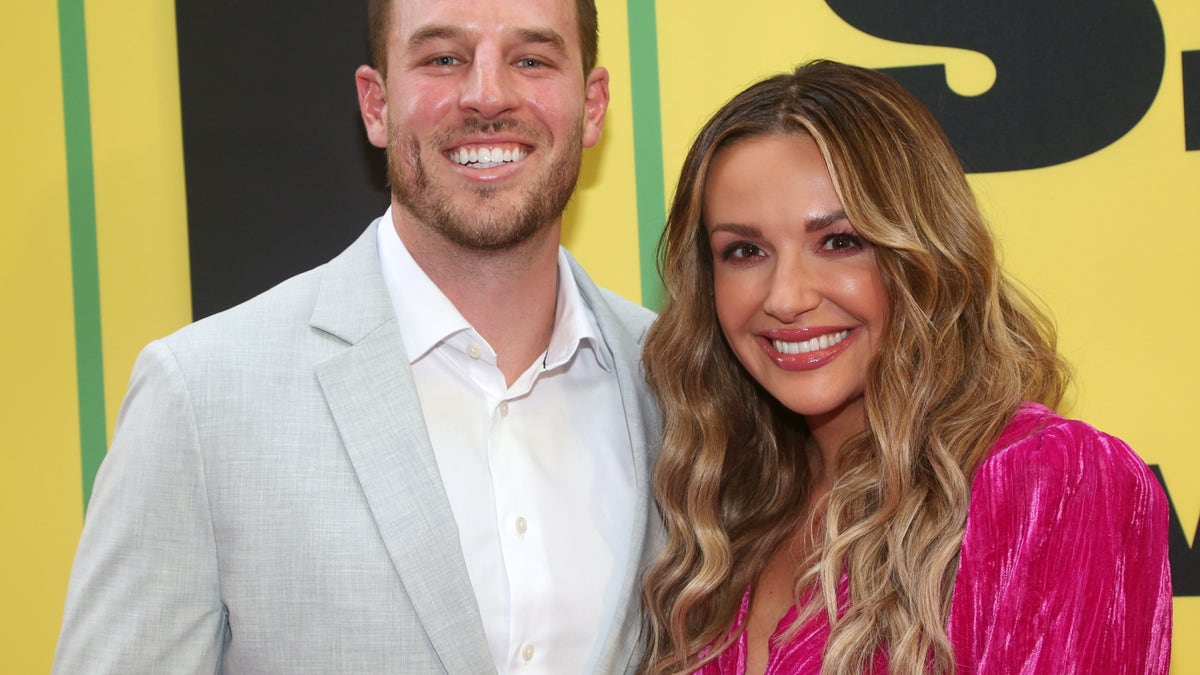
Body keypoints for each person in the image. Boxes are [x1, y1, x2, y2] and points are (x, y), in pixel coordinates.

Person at [52, 0, 661, 672]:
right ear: (376, 104)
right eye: (443, 59)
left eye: (531, 59)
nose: (487, 94)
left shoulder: (676, 382)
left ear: (593, 103)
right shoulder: (200, 398)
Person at [638, 60, 1171, 675]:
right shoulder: (720, 511)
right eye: (745, 251)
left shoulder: (1050, 481)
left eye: (839, 241)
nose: (785, 297)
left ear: (925, 253)